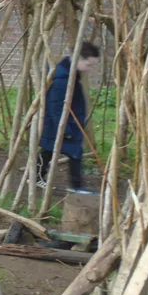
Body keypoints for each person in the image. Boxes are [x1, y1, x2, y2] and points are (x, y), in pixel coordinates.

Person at [38, 42, 100, 194]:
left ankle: (36, 177)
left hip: (66, 123)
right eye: (88, 64)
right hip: (63, 125)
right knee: (74, 152)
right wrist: (65, 130)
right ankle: (76, 186)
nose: (90, 69)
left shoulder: (70, 74)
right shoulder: (62, 79)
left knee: (48, 150)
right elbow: (56, 106)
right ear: (77, 59)